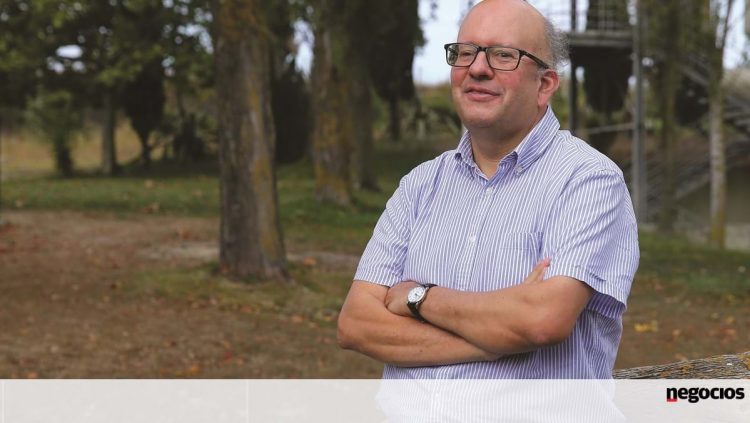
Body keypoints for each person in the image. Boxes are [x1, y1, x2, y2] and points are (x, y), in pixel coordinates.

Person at [337, 0, 639, 380]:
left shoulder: (588, 181)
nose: (477, 68)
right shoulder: (419, 186)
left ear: (544, 85)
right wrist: (499, 337)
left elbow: (542, 321)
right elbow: (356, 324)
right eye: (465, 52)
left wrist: (419, 297)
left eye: (503, 55)